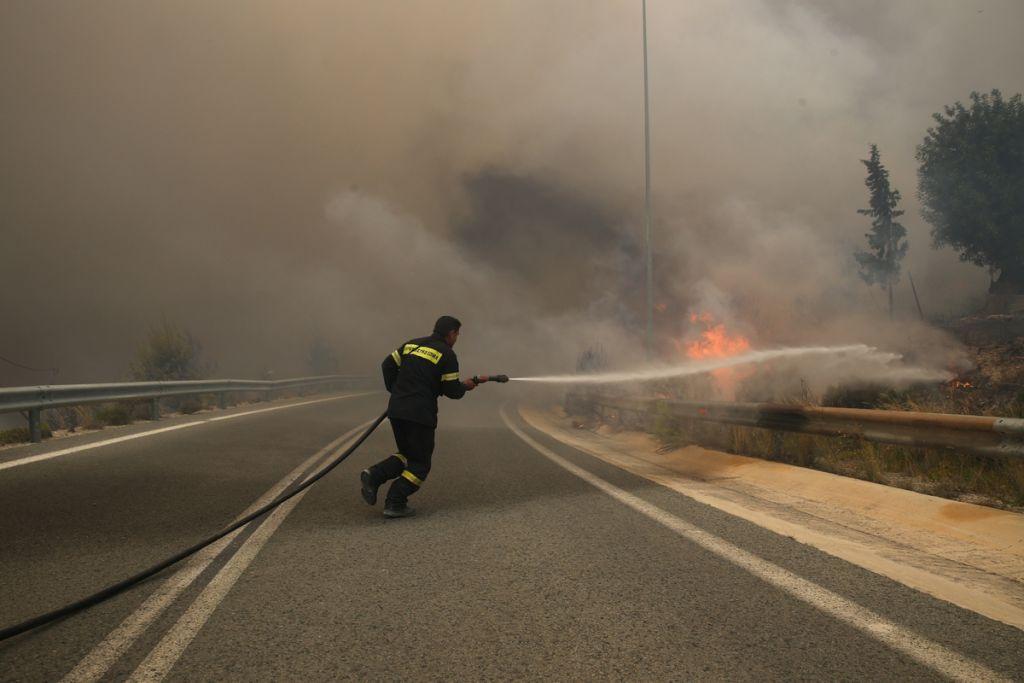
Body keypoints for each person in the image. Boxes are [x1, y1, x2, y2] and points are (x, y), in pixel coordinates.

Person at [360, 315, 476, 518]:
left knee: (406, 454)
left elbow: (387, 364)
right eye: (457, 334)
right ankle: (395, 501)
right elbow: (452, 391)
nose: (457, 338)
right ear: (451, 333)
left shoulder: (411, 345)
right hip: (420, 414)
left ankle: (374, 475)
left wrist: (396, 390)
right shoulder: (447, 354)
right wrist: (465, 386)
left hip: (397, 409)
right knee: (420, 464)